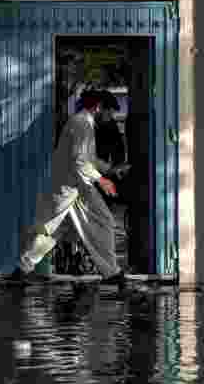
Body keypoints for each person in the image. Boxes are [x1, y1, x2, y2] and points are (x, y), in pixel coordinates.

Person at [10, 90, 130, 285]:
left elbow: (88, 159)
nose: (110, 118)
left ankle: (22, 270)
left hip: (72, 188)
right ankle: (111, 273)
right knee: (105, 221)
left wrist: (111, 169)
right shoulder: (82, 124)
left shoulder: (83, 123)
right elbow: (80, 161)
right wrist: (103, 180)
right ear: (99, 107)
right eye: (109, 112)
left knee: (54, 232)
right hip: (74, 187)